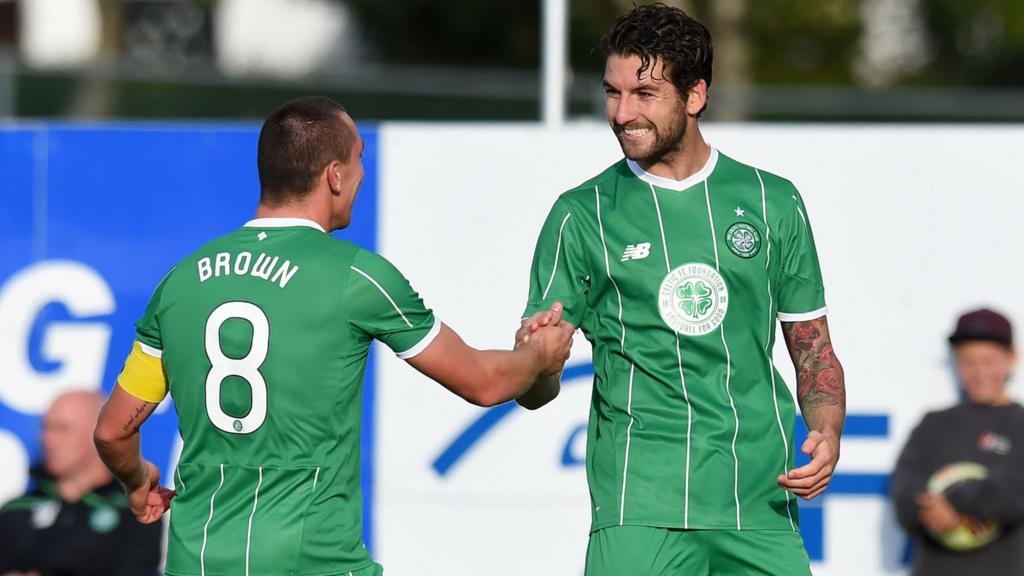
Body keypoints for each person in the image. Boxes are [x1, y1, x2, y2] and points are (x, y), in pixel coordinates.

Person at [91, 96, 573, 576]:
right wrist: (538, 354)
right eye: (359, 157)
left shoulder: (180, 281)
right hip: (313, 560)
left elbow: (114, 431)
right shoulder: (357, 277)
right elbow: (483, 382)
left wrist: (138, 481)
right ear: (334, 175)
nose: (364, 173)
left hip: (197, 559)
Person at [515, 5, 846, 575]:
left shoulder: (773, 201)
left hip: (759, 503)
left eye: (644, 94)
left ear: (695, 96)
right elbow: (535, 388)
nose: (622, 113)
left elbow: (812, 349)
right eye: (612, 93)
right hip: (638, 508)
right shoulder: (581, 214)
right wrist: (539, 363)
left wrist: (827, 430)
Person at [891, 308, 1024, 575]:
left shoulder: (1019, 424)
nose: (979, 372)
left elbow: (1015, 487)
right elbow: (905, 490)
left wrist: (957, 501)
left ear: (1011, 359)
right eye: (968, 361)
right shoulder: (932, 424)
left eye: (989, 360)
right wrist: (930, 512)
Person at [0, 390, 162, 576]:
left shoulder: (135, 512)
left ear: (98, 434)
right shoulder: (15, 511)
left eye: (62, 429)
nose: (48, 440)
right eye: (46, 428)